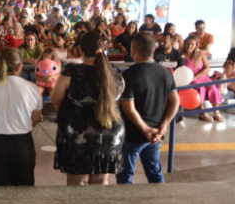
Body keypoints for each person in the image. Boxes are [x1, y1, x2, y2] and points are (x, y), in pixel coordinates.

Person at [51, 31, 125, 186]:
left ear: (80, 50)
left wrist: (71, 113)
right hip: (109, 130)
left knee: (78, 181)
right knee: (101, 181)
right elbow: (118, 97)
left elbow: (56, 99)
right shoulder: (115, 72)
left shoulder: (72, 71)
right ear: (102, 48)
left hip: (77, 132)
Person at [0, 48, 43, 186]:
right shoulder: (32, 88)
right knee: (24, 190)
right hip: (22, 145)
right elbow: (35, 118)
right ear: (19, 66)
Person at [116, 33, 180, 185]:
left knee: (125, 174)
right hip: (156, 134)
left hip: (132, 135)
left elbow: (129, 109)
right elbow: (175, 101)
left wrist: (145, 129)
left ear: (134, 50)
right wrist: (163, 126)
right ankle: (161, 203)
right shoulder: (166, 73)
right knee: (155, 172)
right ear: (154, 49)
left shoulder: (128, 75)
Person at [181, 35, 223, 122]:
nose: (189, 46)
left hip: (202, 76)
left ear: (196, 45)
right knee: (200, 88)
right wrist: (193, 77)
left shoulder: (200, 53)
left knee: (213, 88)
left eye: (192, 44)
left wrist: (198, 76)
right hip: (190, 78)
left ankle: (216, 112)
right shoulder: (180, 54)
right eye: (188, 43)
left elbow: (207, 67)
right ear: (185, 43)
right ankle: (202, 112)